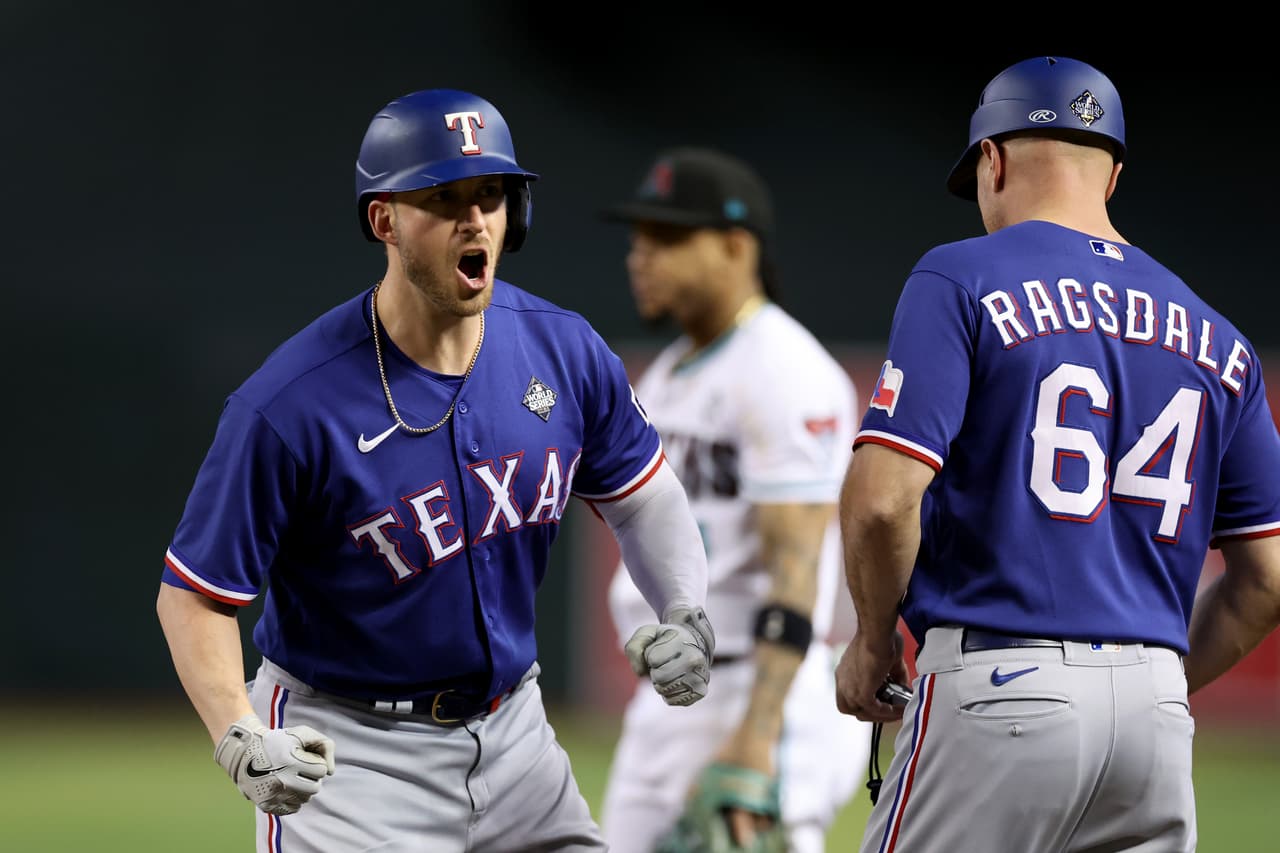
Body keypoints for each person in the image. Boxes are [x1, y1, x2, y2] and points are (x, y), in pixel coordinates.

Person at [155, 88, 719, 853]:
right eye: (443, 197)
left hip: (517, 734)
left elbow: (644, 495)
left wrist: (683, 606)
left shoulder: (564, 349)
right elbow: (193, 596)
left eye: (491, 194)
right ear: (384, 219)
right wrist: (238, 730)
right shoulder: (290, 404)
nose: (474, 218)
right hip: (351, 755)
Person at [834, 55, 1280, 853]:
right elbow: (1267, 578)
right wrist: (1148, 687)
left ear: (992, 160)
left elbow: (882, 497)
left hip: (999, 687)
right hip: (1155, 718)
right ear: (1111, 178)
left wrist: (873, 641)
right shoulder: (1221, 338)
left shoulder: (961, 276)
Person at [597, 146, 873, 853]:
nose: (641, 256)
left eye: (666, 238)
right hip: (670, 697)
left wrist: (757, 737)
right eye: (638, 239)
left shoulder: (782, 367)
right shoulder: (667, 375)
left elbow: (797, 573)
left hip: (756, 686)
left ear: (733, 245)